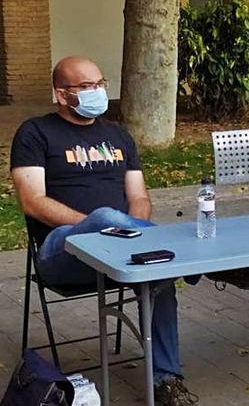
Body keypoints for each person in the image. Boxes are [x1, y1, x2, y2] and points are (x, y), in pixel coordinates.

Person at [10, 57, 197, 405]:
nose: (97, 92)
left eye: (100, 84)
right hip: (63, 249)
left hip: (125, 249)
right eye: (85, 87)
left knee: (158, 275)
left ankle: (166, 380)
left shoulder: (118, 136)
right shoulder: (35, 133)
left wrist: (121, 234)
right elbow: (32, 201)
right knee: (104, 216)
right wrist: (96, 228)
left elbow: (139, 198)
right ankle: (192, 259)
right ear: (62, 95)